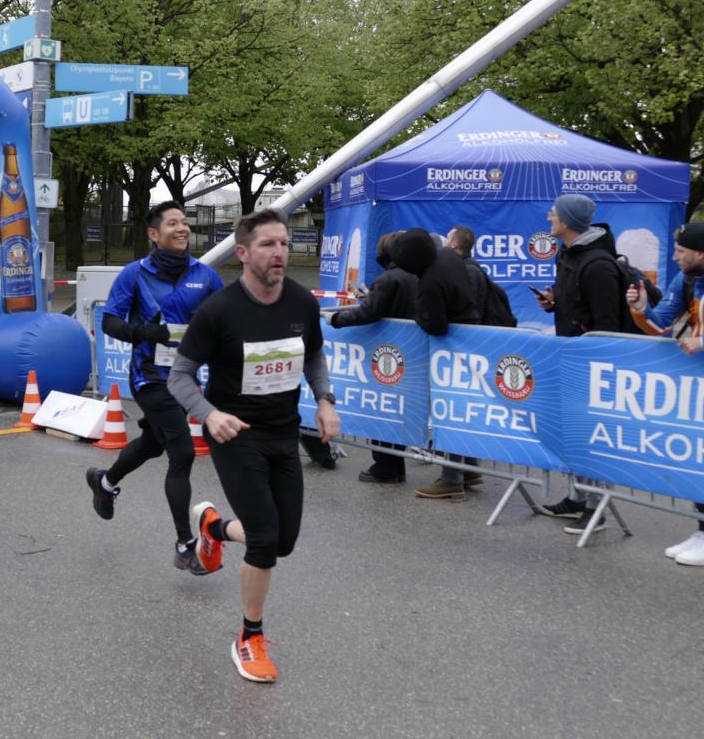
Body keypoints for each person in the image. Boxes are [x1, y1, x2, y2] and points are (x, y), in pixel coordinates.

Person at [168, 209, 341, 683]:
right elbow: (179, 376)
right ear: (243, 253)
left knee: (283, 541)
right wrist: (209, 414)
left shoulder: (301, 302)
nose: (279, 252)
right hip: (235, 435)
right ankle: (249, 637)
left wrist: (325, 400)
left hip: (284, 432)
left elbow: (313, 355)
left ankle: (214, 527)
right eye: (268, 244)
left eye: (284, 243)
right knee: (264, 540)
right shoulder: (219, 310)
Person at [84, 201, 224, 573]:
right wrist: (145, 332)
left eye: (185, 222)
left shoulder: (205, 275)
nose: (182, 229)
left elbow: (225, 318)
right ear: (153, 234)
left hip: (186, 377)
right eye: (173, 223)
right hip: (149, 376)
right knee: (182, 452)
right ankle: (185, 544)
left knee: (153, 443)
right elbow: (110, 321)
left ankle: (105, 482)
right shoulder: (135, 274)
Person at [534, 194, 629, 535]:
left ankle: (595, 509)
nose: (549, 217)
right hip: (573, 358)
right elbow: (578, 305)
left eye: (554, 213)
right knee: (574, 433)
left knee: (592, 436)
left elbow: (606, 323)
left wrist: (597, 368)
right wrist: (554, 302)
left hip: (592, 366)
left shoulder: (598, 264)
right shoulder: (569, 254)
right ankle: (577, 497)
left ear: (568, 220)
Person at [627, 221, 704, 566]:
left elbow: (703, 339)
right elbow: (661, 325)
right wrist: (640, 309)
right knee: (702, 455)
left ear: (702, 253)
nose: (675, 257)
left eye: (681, 251)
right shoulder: (688, 279)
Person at [390, 227, 482, 499]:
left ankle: (451, 478)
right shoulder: (448, 255)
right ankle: (469, 468)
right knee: (460, 411)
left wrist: (421, 315)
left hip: (450, 350)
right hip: (468, 339)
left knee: (448, 411)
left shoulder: (430, 282)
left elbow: (436, 326)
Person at [329, 231, 418, 484]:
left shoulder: (388, 278)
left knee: (381, 410)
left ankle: (385, 467)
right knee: (396, 410)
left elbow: (369, 313)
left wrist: (336, 319)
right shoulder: (414, 276)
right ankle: (395, 465)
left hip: (386, 356)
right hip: (407, 354)